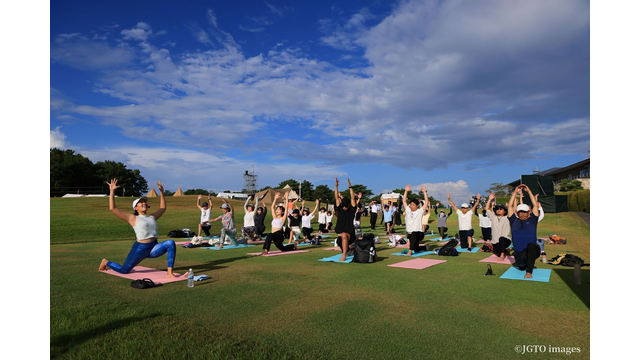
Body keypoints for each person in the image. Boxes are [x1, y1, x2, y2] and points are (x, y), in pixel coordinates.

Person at [99, 179, 180, 278]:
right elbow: (113, 208)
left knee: (170, 243)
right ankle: (106, 262)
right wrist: (112, 191)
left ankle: (169, 273)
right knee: (123, 270)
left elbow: (163, 208)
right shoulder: (133, 218)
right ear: (135, 208)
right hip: (139, 249)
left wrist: (162, 192)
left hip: (153, 248)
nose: (144, 203)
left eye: (145, 202)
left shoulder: (152, 217)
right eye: (141, 202)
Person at [508, 184, 541, 278]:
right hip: (519, 254)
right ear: (517, 213)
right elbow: (510, 206)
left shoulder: (533, 220)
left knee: (531, 246)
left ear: (528, 212)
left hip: (533, 250)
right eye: (520, 212)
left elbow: (535, 205)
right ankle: (527, 266)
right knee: (521, 267)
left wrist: (529, 191)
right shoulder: (513, 220)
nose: (523, 214)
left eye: (525, 212)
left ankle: (529, 272)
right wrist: (515, 192)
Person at [403, 184, 431, 256]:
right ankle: (425, 247)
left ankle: (410, 251)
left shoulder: (420, 211)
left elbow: (426, 202)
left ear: (417, 206)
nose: (411, 206)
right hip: (409, 233)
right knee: (416, 249)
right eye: (411, 205)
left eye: (413, 205)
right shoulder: (408, 210)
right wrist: (406, 191)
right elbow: (404, 201)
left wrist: (424, 192)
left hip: (419, 234)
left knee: (414, 234)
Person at [335, 177, 358, 262]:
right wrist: (336, 186)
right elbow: (337, 198)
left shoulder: (352, 210)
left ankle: (344, 255)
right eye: (343, 206)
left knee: (344, 235)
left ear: (349, 205)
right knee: (340, 239)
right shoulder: (340, 208)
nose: (344, 207)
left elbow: (352, 198)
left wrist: (350, 186)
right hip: (340, 236)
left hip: (350, 235)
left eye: (346, 206)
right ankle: (348, 250)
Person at [485, 193, 512, 260]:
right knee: (498, 254)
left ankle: (502, 256)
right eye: (497, 209)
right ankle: (506, 251)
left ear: (504, 211)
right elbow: (487, 209)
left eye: (501, 209)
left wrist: (512, 198)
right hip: (495, 242)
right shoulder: (493, 217)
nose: (499, 210)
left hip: (506, 240)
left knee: (502, 238)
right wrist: (490, 199)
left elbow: (513, 210)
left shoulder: (507, 217)